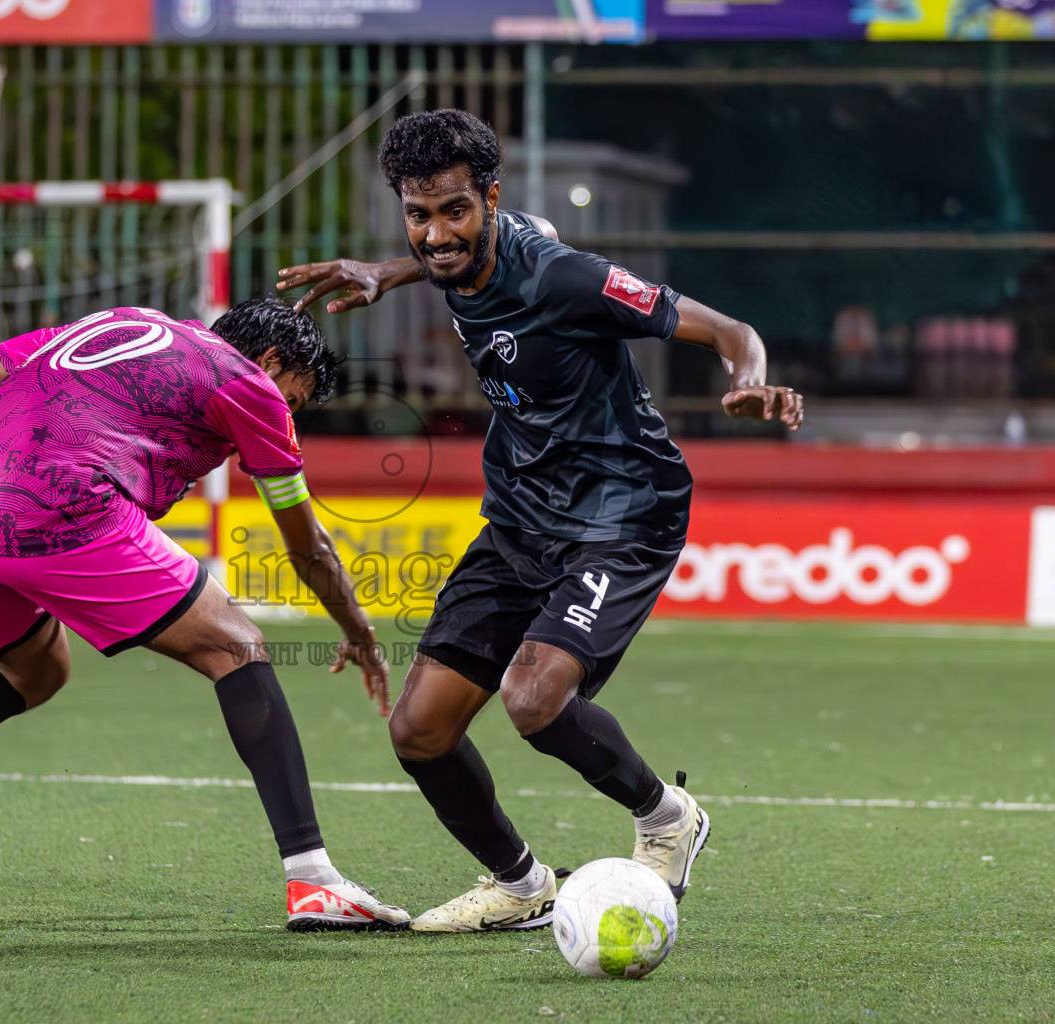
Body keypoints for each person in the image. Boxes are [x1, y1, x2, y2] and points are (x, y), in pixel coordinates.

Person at [277, 109, 803, 932]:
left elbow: (730, 330)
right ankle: (521, 886)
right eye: (417, 215)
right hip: (521, 514)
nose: (436, 234)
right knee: (419, 729)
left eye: (455, 210)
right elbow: (450, 257)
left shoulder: (566, 277)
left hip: (624, 509)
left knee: (533, 698)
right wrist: (387, 271)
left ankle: (667, 817)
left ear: (490, 197)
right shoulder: (454, 252)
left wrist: (752, 377)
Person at [0, 297, 411, 932]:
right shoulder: (249, 382)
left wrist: (17, 468)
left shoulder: (129, 319)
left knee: (34, 671)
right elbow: (306, 546)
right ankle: (313, 880)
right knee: (236, 646)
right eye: (297, 397)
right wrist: (359, 631)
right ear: (273, 361)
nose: (289, 412)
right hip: (68, 504)